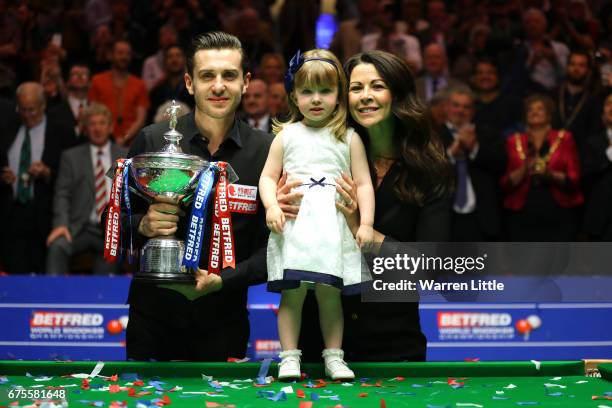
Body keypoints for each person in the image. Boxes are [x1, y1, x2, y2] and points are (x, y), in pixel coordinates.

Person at [280, 50, 452, 362]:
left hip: (393, 344)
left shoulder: (429, 170)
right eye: (356, 88)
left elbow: (431, 267)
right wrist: (282, 207)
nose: (365, 97)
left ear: (397, 94)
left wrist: (364, 231)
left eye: (377, 86)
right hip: (319, 346)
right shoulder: (317, 151)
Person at [121, 32, 272, 361]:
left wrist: (223, 280)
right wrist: (143, 225)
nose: (218, 86)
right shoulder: (153, 141)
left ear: (245, 82)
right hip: (152, 322)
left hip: (224, 323)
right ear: (190, 83)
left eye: (229, 75)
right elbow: (111, 223)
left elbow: (275, 249)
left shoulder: (267, 151)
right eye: (207, 76)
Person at [259, 49, 375, 380]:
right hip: (294, 229)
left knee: (331, 296)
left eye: (325, 90)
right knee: (291, 297)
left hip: (333, 229)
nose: (316, 99)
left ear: (339, 94)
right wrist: (271, 206)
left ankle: (334, 357)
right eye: (307, 91)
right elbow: (268, 177)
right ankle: (289, 356)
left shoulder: (349, 138)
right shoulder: (286, 136)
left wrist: (365, 222)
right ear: (293, 95)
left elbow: (363, 184)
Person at [0, 82, 73, 274]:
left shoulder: (61, 132)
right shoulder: (7, 129)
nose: (26, 115)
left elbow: (72, 175)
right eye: (22, 109)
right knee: (16, 275)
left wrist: (49, 173)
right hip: (12, 214)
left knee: (42, 276)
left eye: (31, 110)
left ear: (43, 106)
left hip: (45, 214)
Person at [46, 103, 126, 275]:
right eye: (92, 124)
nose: (97, 128)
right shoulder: (71, 157)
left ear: (110, 127)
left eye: (102, 123)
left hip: (111, 229)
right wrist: (61, 225)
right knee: (57, 246)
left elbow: (131, 196)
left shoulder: (124, 156)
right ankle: (52, 298)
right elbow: (62, 194)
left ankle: (103, 300)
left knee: (111, 252)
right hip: (78, 227)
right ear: (85, 129)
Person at [500, 94, 583, 241]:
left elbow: (574, 179)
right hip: (522, 209)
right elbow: (504, 183)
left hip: (558, 207)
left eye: (540, 109)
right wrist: (524, 169)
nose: (534, 112)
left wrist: (550, 174)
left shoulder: (565, 138)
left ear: (550, 115)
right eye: (530, 109)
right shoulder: (513, 141)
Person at [441, 86, 506, 241]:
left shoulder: (486, 133)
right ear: (446, 107)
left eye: (466, 107)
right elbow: (427, 171)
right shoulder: (433, 135)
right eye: (456, 105)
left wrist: (474, 148)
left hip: (482, 219)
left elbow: (501, 164)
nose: (460, 110)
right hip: (446, 218)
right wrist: (451, 154)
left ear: (473, 111)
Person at [88, 40, 149, 147]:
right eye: (120, 53)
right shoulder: (97, 81)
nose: (124, 57)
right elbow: (93, 113)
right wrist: (109, 137)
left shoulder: (140, 84)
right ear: (111, 55)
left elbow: (141, 119)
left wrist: (125, 138)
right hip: (102, 141)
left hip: (131, 145)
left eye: (128, 53)